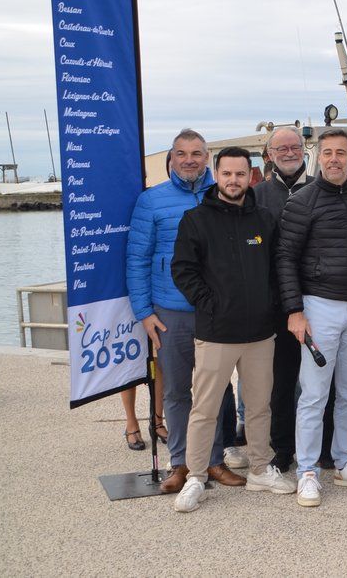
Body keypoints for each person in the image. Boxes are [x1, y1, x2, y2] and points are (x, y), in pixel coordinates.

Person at [169, 147, 295, 511]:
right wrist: (212, 304)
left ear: (250, 176)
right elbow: (183, 271)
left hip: (260, 334)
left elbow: (276, 269)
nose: (234, 181)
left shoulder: (265, 219)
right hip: (215, 333)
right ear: (216, 174)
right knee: (204, 409)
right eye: (227, 174)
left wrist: (271, 306)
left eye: (241, 174)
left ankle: (259, 469)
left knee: (258, 408)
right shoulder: (195, 219)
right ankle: (195, 477)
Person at [125, 129, 244, 494]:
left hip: (215, 312)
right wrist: (145, 313)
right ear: (172, 159)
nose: (189, 160)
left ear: (207, 158)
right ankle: (180, 464)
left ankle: (212, 460)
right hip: (171, 312)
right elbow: (137, 259)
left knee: (218, 390)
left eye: (196, 153)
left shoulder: (223, 196)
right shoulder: (152, 201)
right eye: (182, 153)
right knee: (177, 391)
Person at [277, 128, 347, 507]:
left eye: (341, 152)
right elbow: (285, 258)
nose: (334, 158)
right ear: (317, 157)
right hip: (318, 306)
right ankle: (307, 470)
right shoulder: (302, 202)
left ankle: (345, 461)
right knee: (314, 394)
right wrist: (295, 311)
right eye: (327, 152)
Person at [252, 126, 314, 472]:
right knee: (282, 379)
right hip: (275, 303)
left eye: (294, 146)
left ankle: (320, 445)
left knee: (319, 380)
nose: (289, 153)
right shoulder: (258, 195)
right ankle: (282, 447)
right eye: (281, 148)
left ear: (304, 150)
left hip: (319, 298)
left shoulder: (321, 188)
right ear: (270, 154)